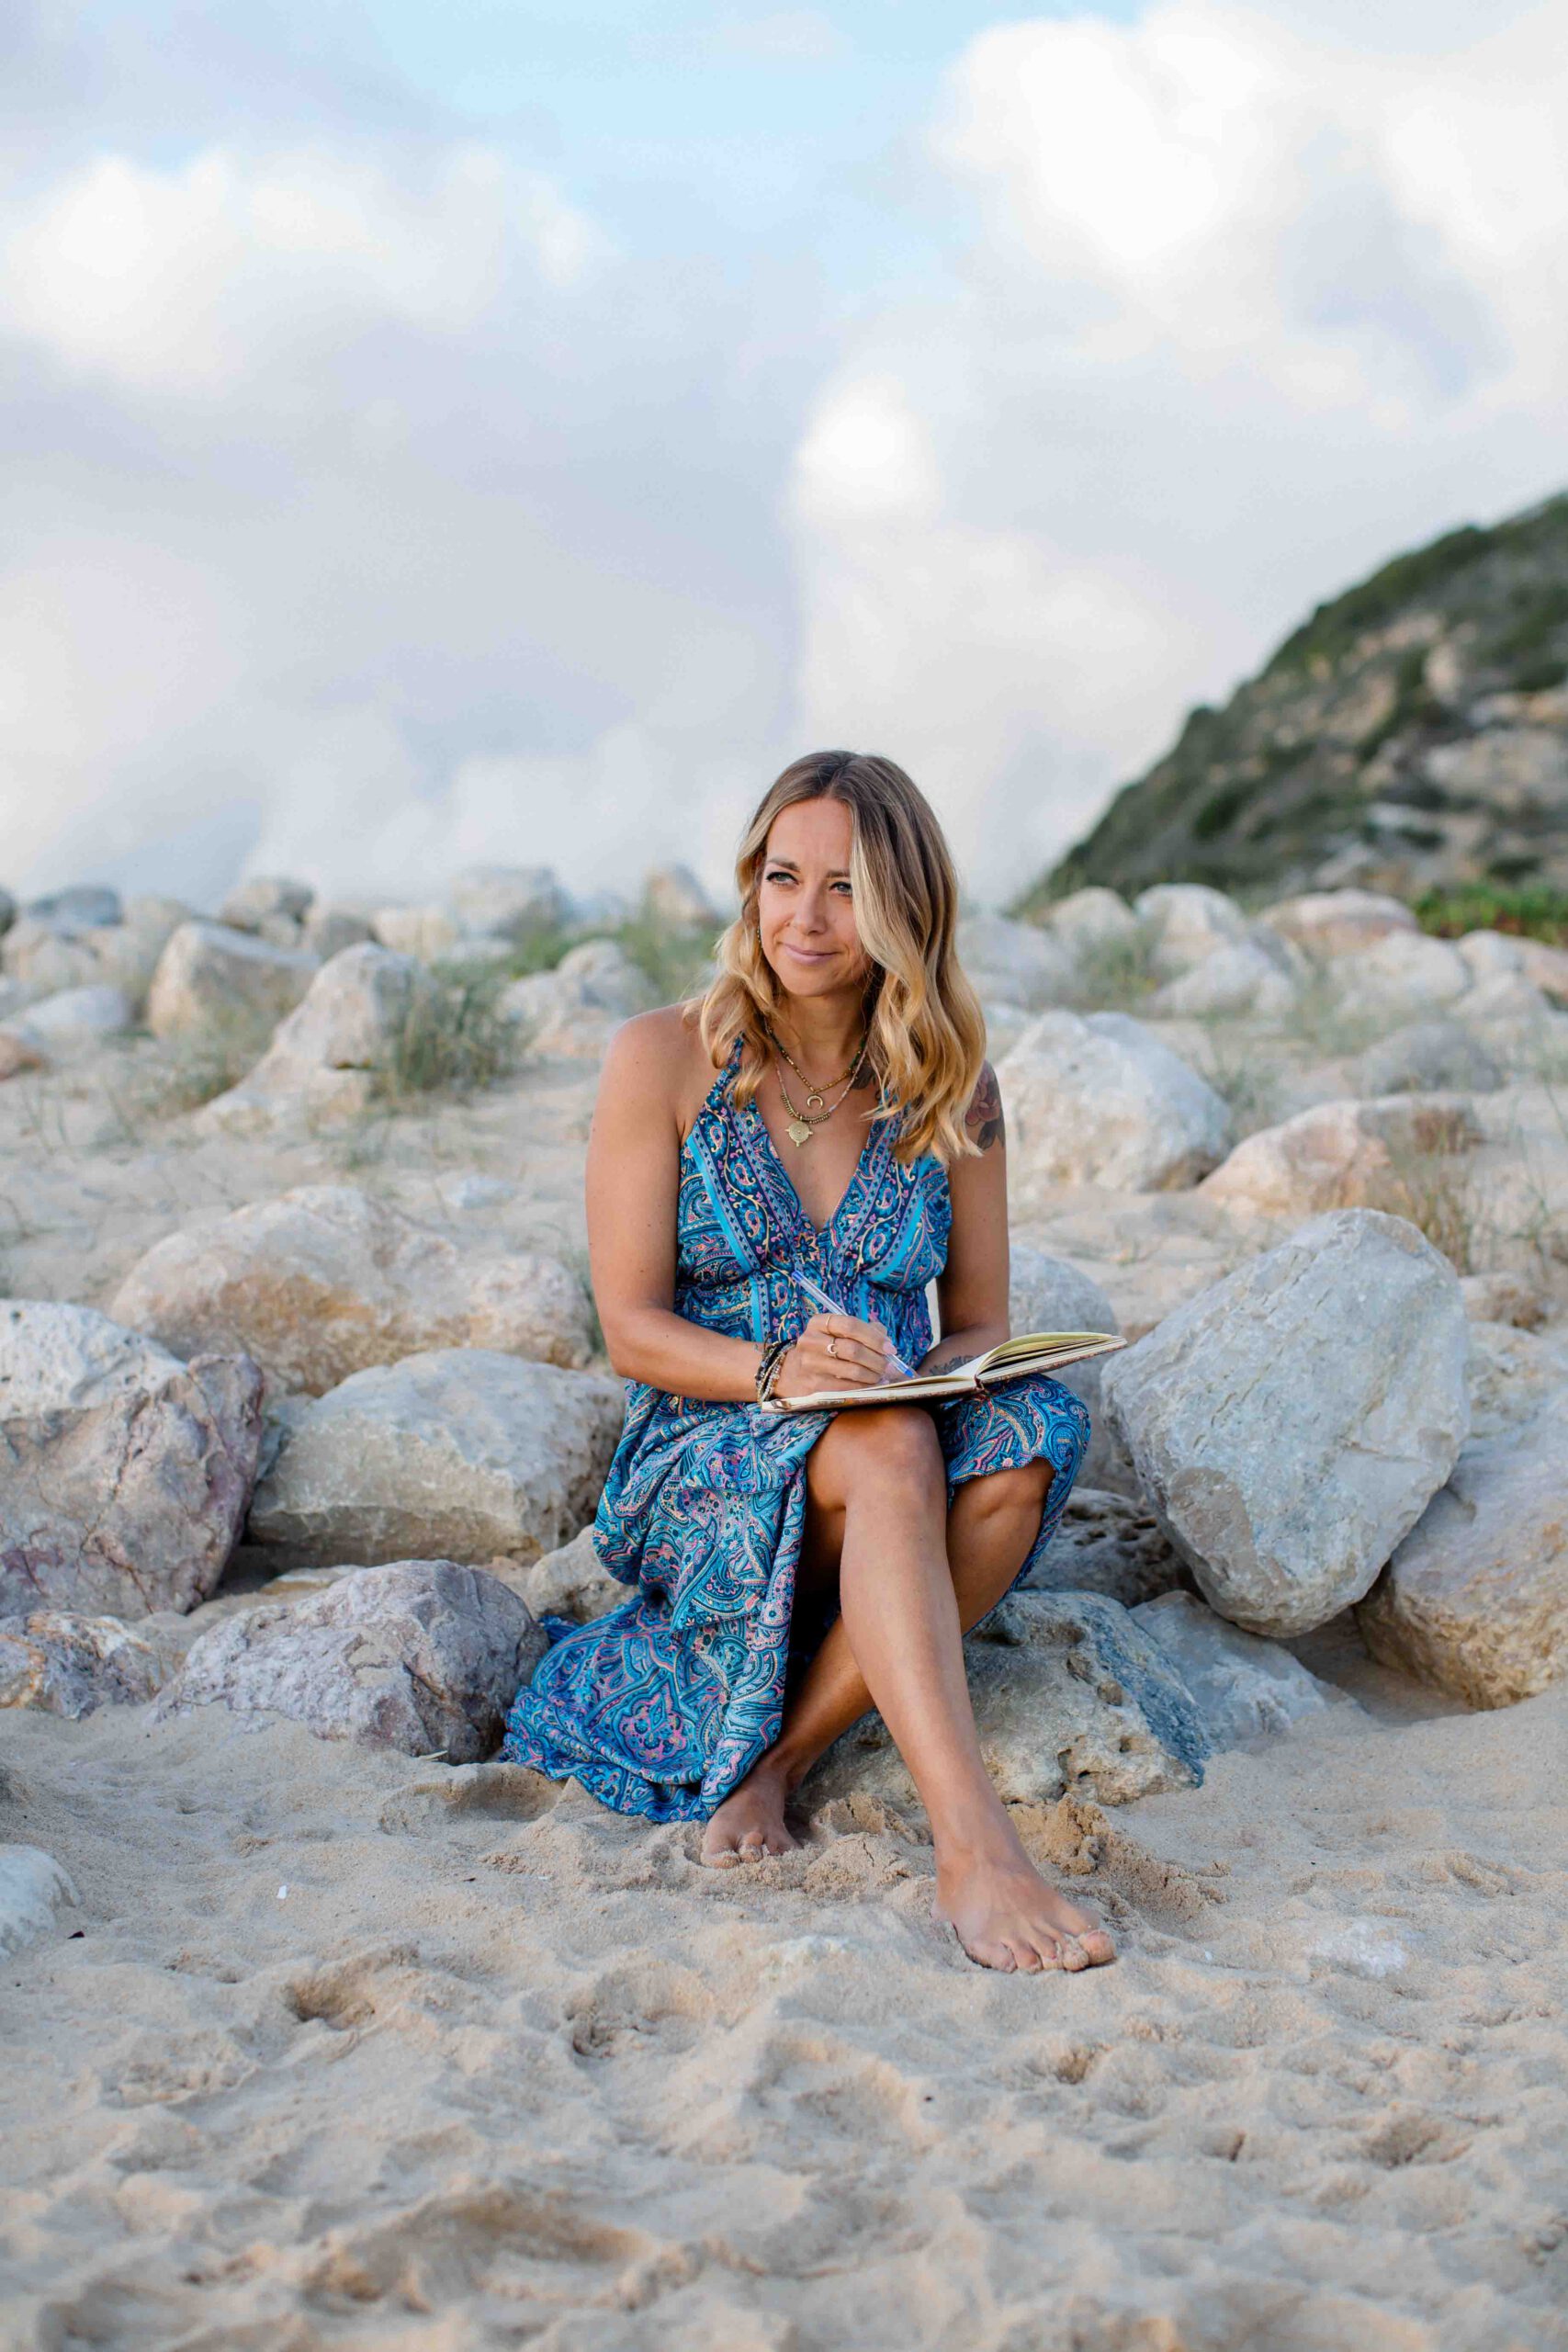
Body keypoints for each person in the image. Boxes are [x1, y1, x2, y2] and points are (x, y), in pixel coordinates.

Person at [502, 750, 1115, 1974]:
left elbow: (978, 1319)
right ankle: (974, 1848)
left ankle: (781, 1755)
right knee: (886, 1450)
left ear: (903, 910)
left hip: (880, 1417)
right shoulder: (664, 1058)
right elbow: (631, 1327)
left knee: (1031, 1438)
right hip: (711, 1432)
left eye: (846, 888)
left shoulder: (955, 1088)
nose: (806, 918)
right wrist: (783, 1370)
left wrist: (924, 1373)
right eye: (784, 878)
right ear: (752, 884)